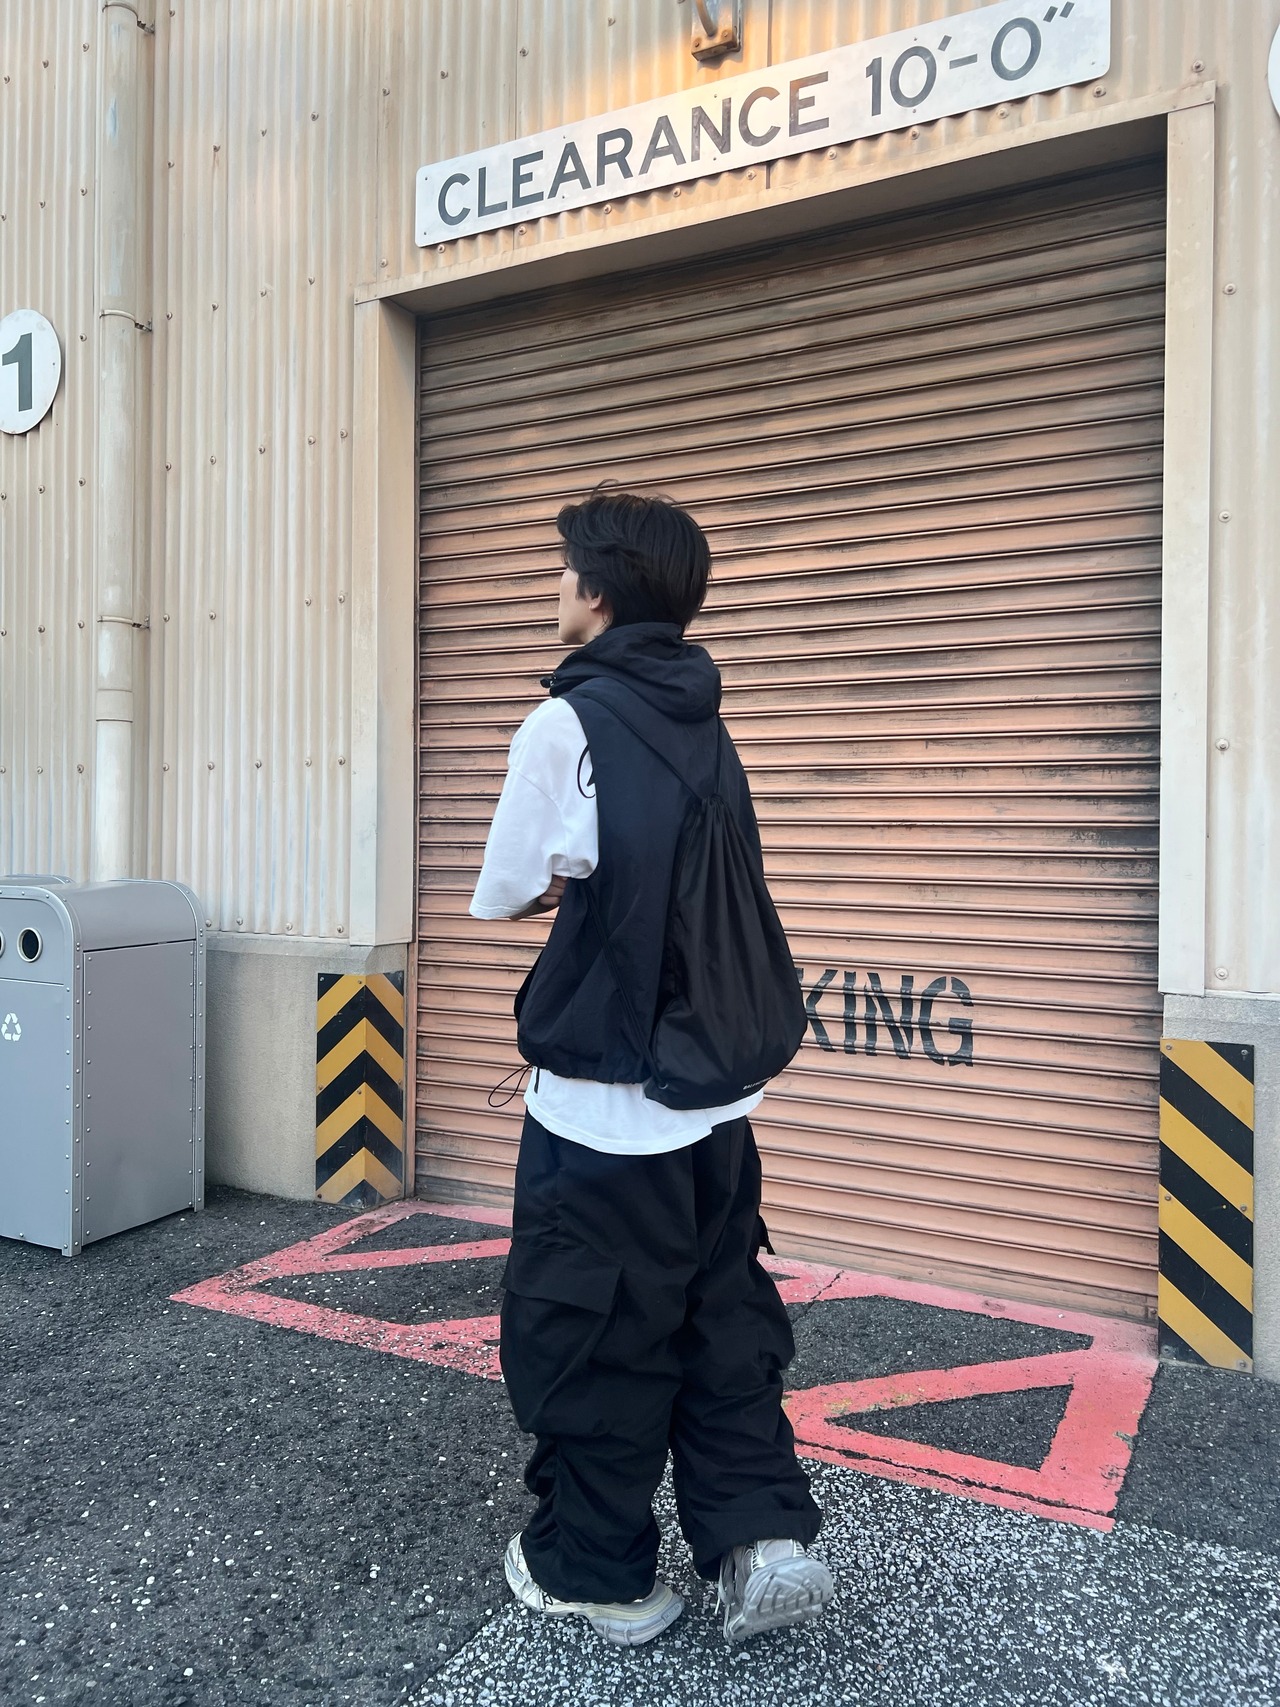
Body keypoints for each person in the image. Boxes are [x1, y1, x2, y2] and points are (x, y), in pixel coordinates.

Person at [470, 487, 833, 1646]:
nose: (553, 587)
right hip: (716, 1101)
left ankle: (596, 1572)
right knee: (720, 1314)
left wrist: (560, 886)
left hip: (603, 1110)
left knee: (594, 1335)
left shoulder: (565, 722)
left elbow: (504, 888)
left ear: (598, 589)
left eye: (561, 569)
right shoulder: (701, 714)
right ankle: (758, 1536)